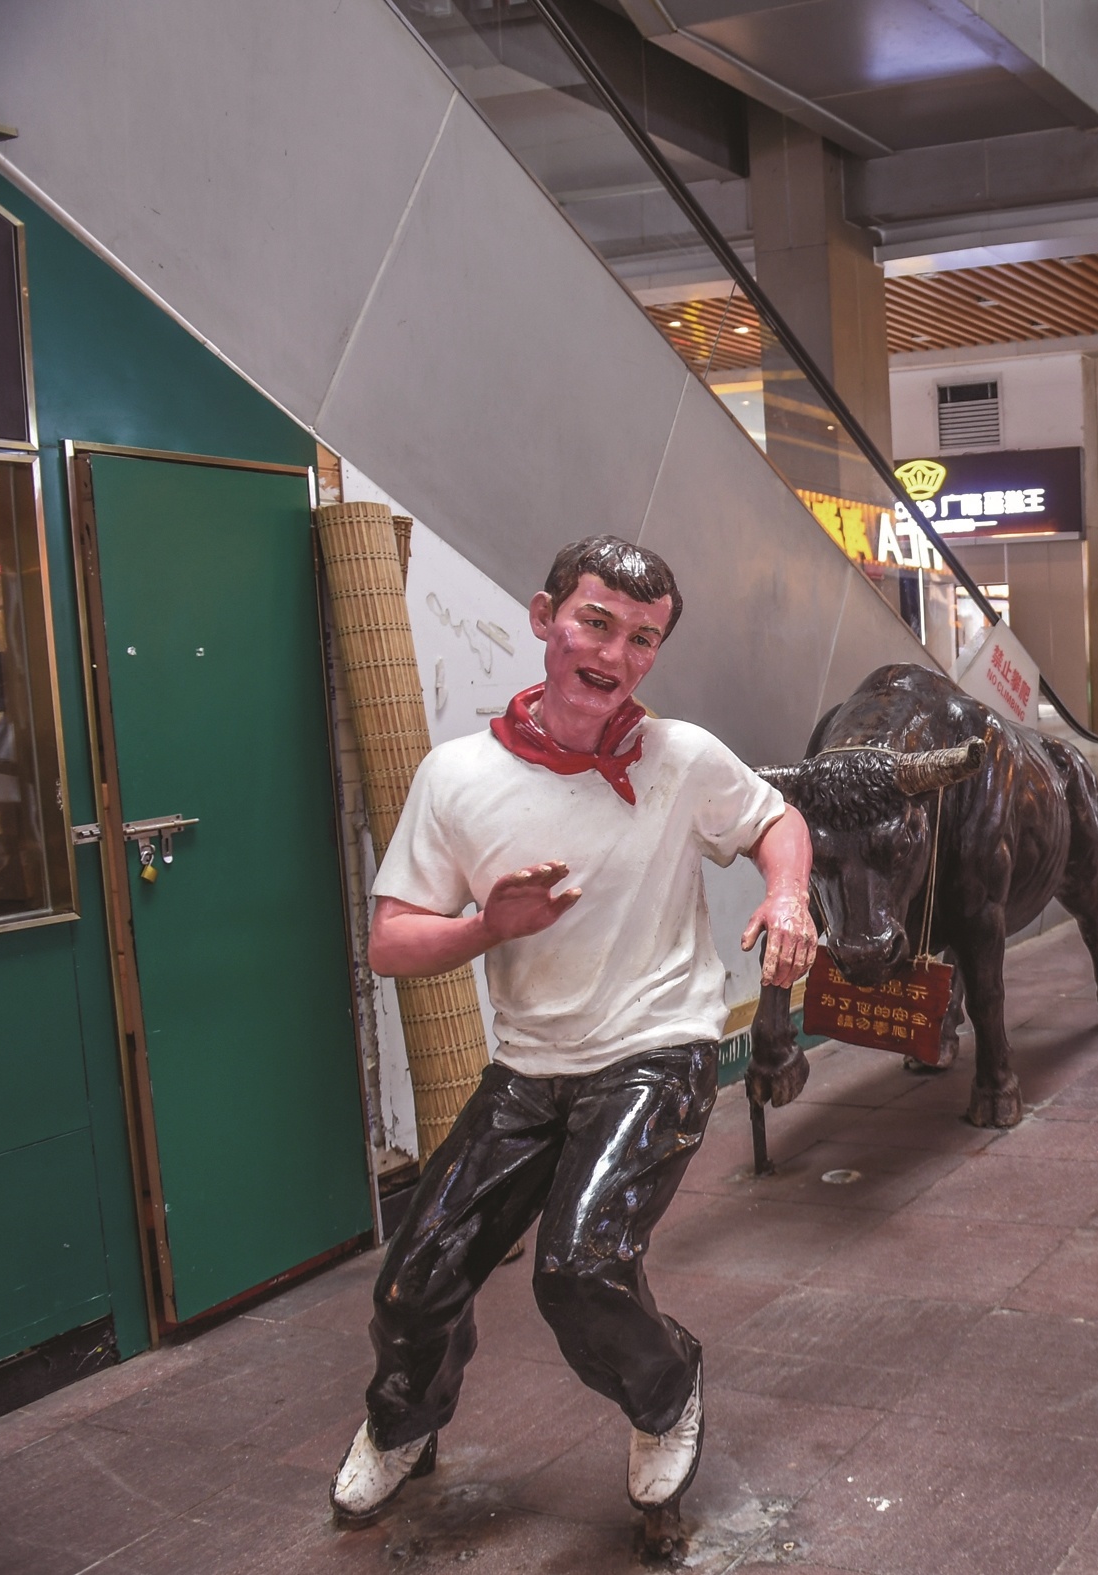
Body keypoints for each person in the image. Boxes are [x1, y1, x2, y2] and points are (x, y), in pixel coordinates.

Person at [329, 537, 818, 1530]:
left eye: (643, 638)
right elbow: (390, 942)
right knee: (413, 1282)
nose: (616, 654)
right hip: (529, 1066)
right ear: (544, 616)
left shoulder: (681, 756)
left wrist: (788, 894)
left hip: (656, 1050)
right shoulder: (457, 776)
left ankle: (666, 1390)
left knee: (579, 1269)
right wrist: (486, 927)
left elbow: (777, 821)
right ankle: (402, 1423)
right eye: (597, 622)